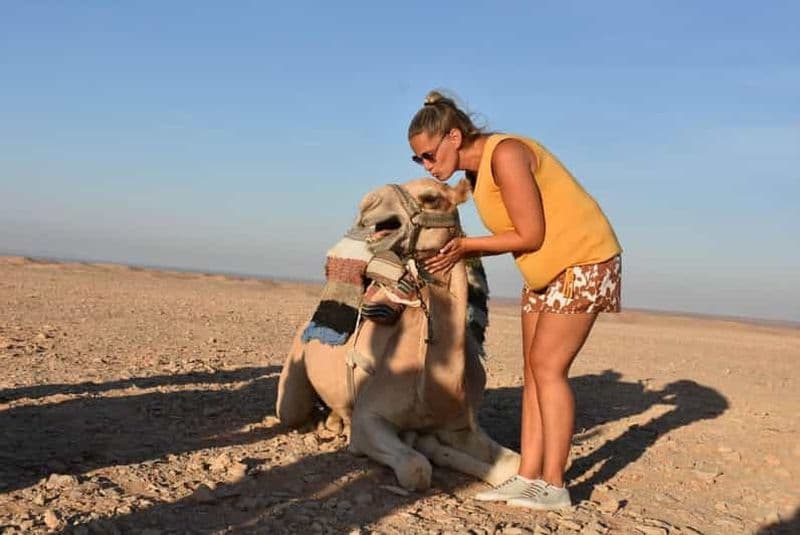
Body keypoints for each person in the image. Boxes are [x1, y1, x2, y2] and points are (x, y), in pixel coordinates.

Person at [408, 90, 622, 510]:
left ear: (454, 137)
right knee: (533, 370)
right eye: (419, 160)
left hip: (582, 261)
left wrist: (465, 246)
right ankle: (527, 477)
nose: (427, 166)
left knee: (548, 368)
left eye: (429, 155)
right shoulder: (476, 176)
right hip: (544, 272)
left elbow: (530, 234)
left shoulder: (505, 154)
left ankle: (554, 485)